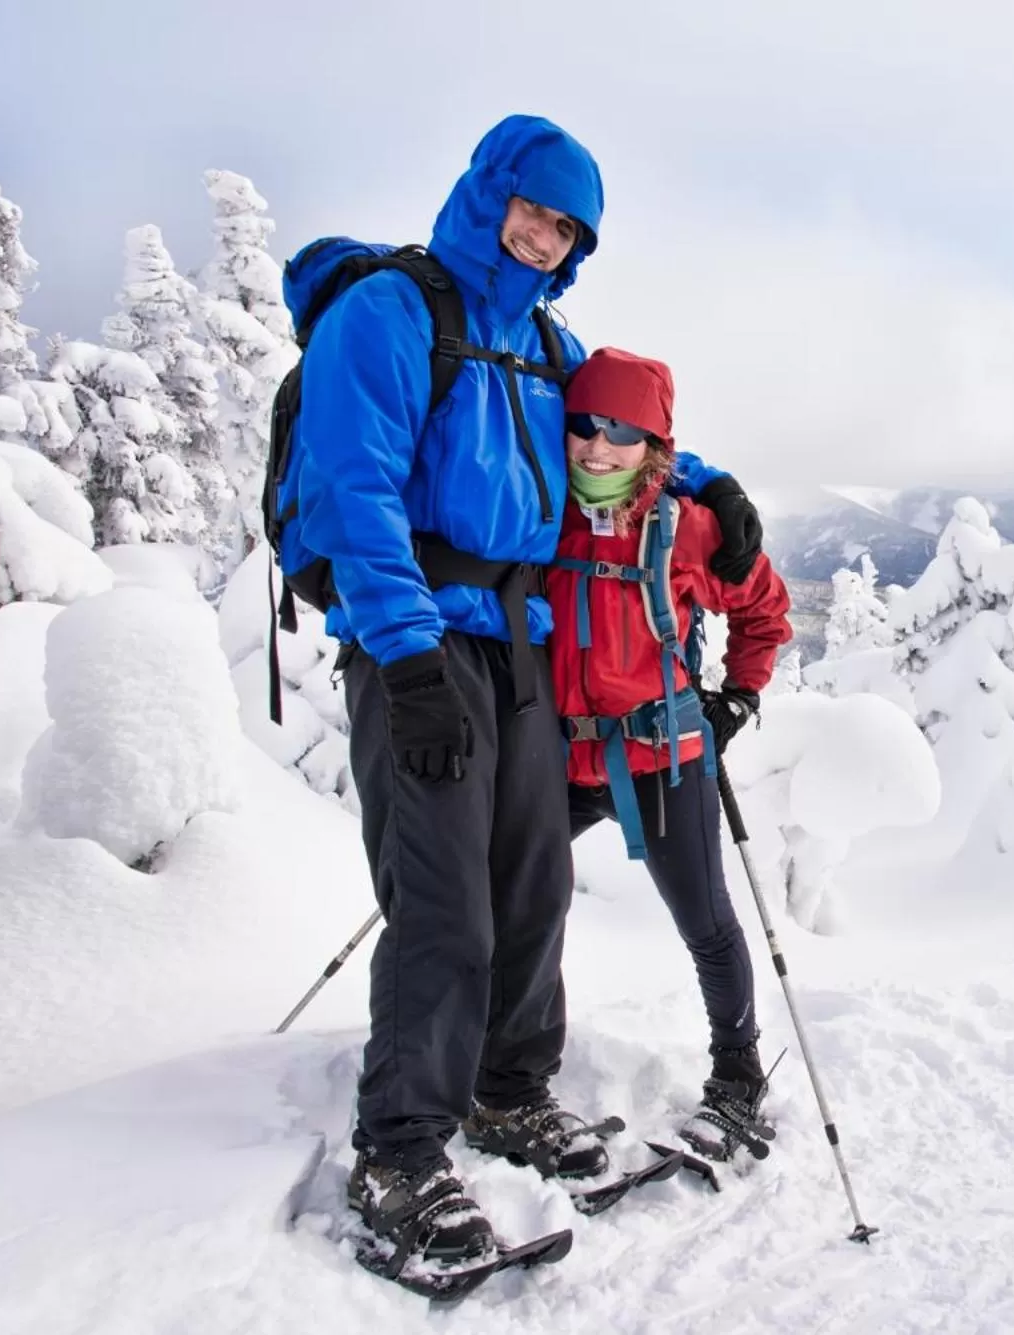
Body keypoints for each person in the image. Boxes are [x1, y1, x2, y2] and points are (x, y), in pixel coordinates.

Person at [276, 115, 765, 1278]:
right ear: (488, 192)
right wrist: (405, 658)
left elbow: (618, 430)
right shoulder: (391, 312)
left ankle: (507, 1091)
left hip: (521, 642)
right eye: (534, 213)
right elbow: (355, 490)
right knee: (443, 900)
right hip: (418, 637)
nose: (544, 239)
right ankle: (400, 1150)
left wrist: (710, 485)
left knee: (531, 882)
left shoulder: (544, 341)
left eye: (567, 232)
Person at [548, 348, 792, 1160]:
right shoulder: (539, 508)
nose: (598, 447)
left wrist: (738, 696)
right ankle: (510, 1069)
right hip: (561, 757)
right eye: (585, 425)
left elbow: (766, 610)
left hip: (662, 754)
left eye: (622, 432)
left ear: (653, 444)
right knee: (516, 902)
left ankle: (738, 1073)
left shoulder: (686, 527)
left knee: (705, 920)